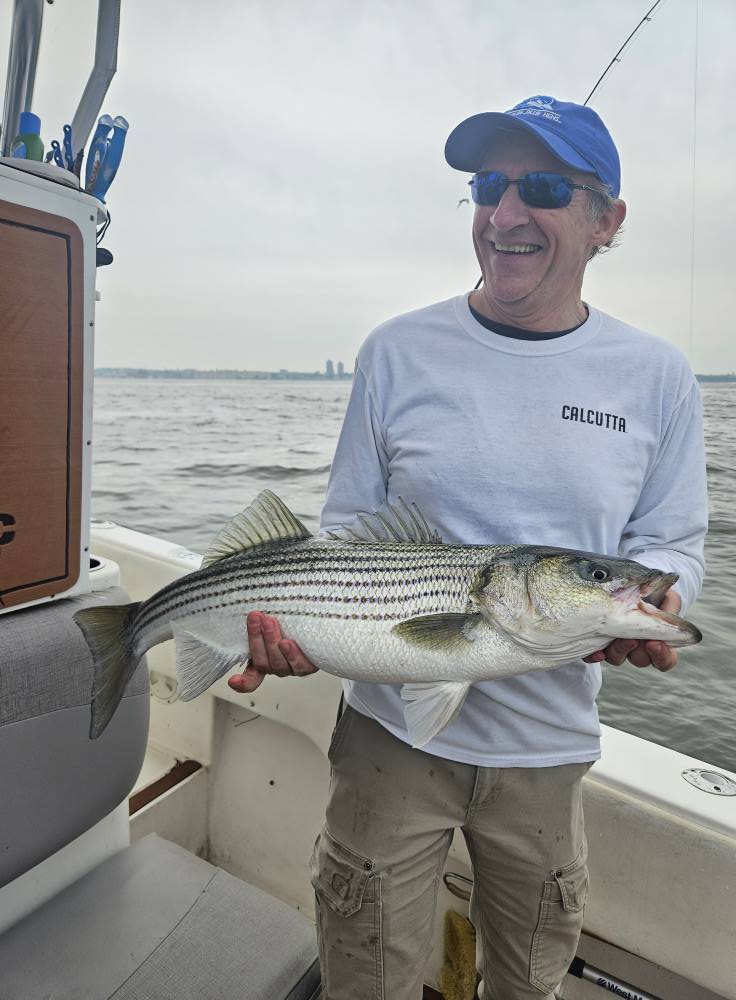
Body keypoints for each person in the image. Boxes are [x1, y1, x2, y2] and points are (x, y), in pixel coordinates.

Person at [228, 95, 707, 999]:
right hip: (388, 740)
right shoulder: (397, 353)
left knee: (529, 980)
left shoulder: (658, 376)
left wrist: (660, 596)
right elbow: (345, 540)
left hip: (550, 745)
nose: (507, 213)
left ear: (608, 222)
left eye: (544, 188)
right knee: (365, 974)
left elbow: (670, 541)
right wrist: (291, 631)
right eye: (489, 185)